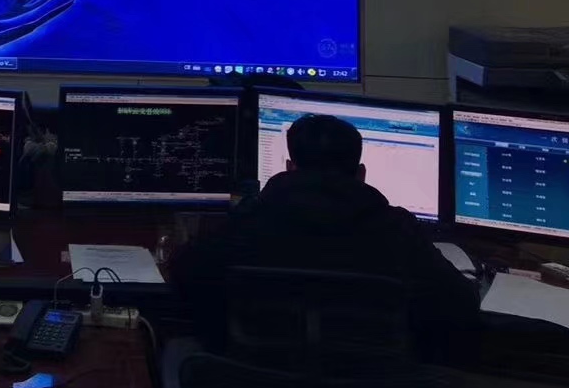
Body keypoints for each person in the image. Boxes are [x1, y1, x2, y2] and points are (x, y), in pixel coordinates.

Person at [171, 111, 478, 355]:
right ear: (361, 174)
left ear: (289, 167)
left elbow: (185, 273)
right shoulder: (397, 230)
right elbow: (460, 305)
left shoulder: (249, 221)